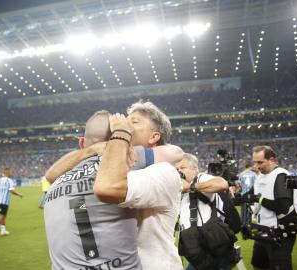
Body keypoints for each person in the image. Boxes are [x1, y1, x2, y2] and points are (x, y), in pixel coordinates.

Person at [44, 110, 183, 270]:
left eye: (134, 122)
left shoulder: (59, 180)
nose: (126, 123)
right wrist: (118, 140)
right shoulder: (121, 163)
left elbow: (50, 176)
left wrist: (113, 141)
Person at [94, 102, 184, 269]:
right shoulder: (119, 166)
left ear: (154, 137)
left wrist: (120, 133)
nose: (125, 124)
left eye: (134, 122)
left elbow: (108, 188)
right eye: (126, 120)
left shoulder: (163, 172)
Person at [245, 145, 297, 270]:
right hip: (264, 230)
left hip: (281, 232)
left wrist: (259, 199)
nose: (256, 166)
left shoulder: (282, 175)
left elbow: (282, 206)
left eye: (260, 162)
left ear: (272, 159)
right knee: (258, 265)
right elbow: (249, 196)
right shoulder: (260, 176)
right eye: (255, 162)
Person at [176, 153, 230, 270]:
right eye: (177, 169)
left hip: (211, 243)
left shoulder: (201, 178)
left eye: (182, 168)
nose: (179, 171)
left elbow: (222, 184)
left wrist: (191, 187)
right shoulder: (180, 186)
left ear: (194, 168)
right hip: (195, 242)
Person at [0, 168, 23, 240]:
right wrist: (19, 194)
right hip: (4, 201)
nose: (11, 173)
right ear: (7, 172)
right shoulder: (9, 180)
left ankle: (3, 230)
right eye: (10, 172)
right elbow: (12, 191)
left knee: (4, 215)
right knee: (1, 215)